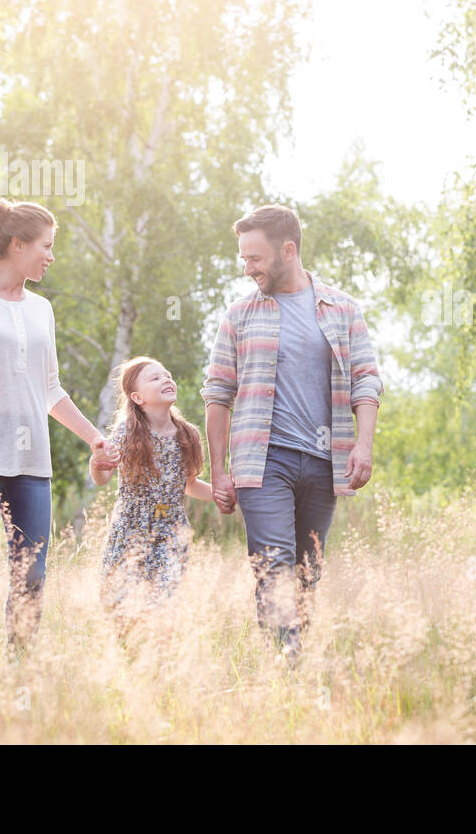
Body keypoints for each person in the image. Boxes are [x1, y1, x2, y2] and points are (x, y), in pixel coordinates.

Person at [0, 197, 115, 651]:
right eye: (45, 246)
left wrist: (95, 438)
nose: (51, 256)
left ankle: (19, 673)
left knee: (32, 573)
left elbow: (49, 389)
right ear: (16, 244)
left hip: (30, 461)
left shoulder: (40, 309)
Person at [202, 205, 382, 662]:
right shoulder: (240, 315)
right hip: (263, 462)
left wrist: (363, 444)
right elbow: (218, 393)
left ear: (288, 250)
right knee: (274, 565)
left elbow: (366, 379)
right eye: (243, 259)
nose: (248, 269)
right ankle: (282, 667)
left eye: (255, 258)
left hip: (325, 461)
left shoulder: (342, 309)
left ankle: (292, 660)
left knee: (307, 571)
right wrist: (218, 472)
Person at [91, 356, 213, 639]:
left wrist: (225, 493)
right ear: (137, 397)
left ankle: (160, 658)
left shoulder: (188, 434)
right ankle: (130, 659)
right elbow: (103, 478)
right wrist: (97, 463)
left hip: (171, 531)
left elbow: (190, 484)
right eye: (155, 378)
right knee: (120, 603)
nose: (166, 379)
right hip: (129, 530)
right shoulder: (127, 433)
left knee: (163, 602)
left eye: (167, 375)